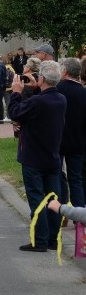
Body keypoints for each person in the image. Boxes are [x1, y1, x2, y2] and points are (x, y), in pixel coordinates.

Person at [8, 60, 66, 252]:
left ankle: (39, 240)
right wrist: (34, 90)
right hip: (52, 156)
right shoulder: (60, 99)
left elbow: (15, 113)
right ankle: (52, 239)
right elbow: (35, 110)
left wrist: (17, 92)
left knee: (37, 199)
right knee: (53, 200)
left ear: (41, 79)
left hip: (33, 157)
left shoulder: (37, 102)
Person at [55, 58, 86, 209]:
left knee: (58, 176)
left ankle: (61, 210)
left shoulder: (57, 89)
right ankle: (79, 215)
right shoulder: (83, 92)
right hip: (78, 140)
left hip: (58, 140)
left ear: (65, 71)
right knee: (76, 178)